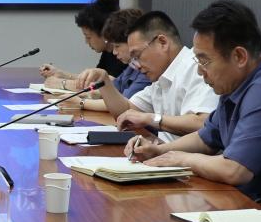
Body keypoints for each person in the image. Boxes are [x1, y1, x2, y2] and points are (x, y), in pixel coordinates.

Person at [130, 0, 261, 198]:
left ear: (239, 57)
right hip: (246, 202)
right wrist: (159, 150)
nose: (200, 71)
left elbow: (234, 170)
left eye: (204, 61)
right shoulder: (236, 85)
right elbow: (205, 139)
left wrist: (181, 159)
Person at [75, 10, 218, 141]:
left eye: (137, 56)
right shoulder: (160, 77)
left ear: (162, 43)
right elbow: (126, 111)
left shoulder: (196, 67)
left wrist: (152, 119)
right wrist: (104, 81)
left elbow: (203, 123)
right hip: (166, 153)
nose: (136, 65)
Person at [63, 9, 152, 113]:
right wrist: (85, 94)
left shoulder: (147, 70)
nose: (114, 52)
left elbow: (125, 104)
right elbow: (114, 89)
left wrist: (81, 102)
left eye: (117, 46)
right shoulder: (132, 66)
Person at [39, 0, 126, 84]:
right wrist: (59, 73)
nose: (86, 42)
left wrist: (60, 83)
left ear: (104, 33)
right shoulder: (107, 52)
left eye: (88, 37)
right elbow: (93, 80)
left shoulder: (123, 54)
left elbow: (106, 85)